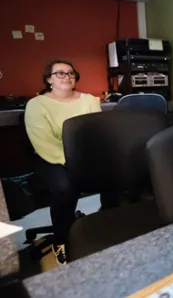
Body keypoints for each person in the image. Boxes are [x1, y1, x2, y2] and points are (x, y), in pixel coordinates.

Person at [24, 60, 102, 265]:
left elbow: (95, 133)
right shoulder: (37, 104)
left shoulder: (90, 100)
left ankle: (106, 224)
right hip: (49, 157)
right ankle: (61, 241)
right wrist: (72, 163)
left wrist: (89, 159)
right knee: (64, 186)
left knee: (113, 173)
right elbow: (45, 143)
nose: (66, 76)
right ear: (49, 79)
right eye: (60, 73)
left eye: (70, 73)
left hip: (85, 154)